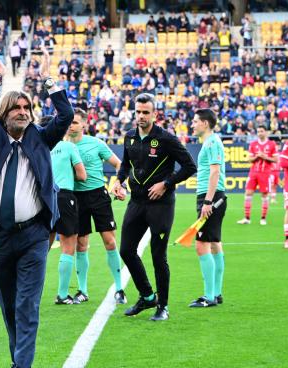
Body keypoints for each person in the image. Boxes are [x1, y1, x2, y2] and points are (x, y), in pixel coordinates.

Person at [0, 46, 73, 368]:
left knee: (27, 304)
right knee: (9, 305)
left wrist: (49, 78)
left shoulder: (40, 138)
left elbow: (66, 114)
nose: (24, 112)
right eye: (17, 107)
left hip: (33, 237)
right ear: (5, 112)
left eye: (28, 107)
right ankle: (16, 362)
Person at [112, 93, 197, 321]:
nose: (141, 116)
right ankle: (148, 296)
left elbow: (190, 166)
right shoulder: (129, 137)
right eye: (138, 111)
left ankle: (163, 306)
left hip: (161, 205)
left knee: (158, 256)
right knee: (126, 251)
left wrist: (166, 184)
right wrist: (118, 182)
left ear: (154, 114)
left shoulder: (166, 138)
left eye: (145, 112)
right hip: (136, 202)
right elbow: (125, 165)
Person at [68, 108, 124, 305]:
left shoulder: (96, 143)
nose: (71, 126)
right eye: (69, 122)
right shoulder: (63, 146)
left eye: (74, 122)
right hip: (76, 198)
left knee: (109, 241)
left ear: (84, 124)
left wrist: (120, 184)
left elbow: (119, 164)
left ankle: (119, 288)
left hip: (99, 196)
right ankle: (82, 290)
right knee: (81, 244)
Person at [39, 116, 87, 305]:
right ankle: (62, 294)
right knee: (68, 247)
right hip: (64, 197)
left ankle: (30, 288)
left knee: (43, 248)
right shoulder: (68, 147)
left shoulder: (39, 149)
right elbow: (82, 176)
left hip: (43, 199)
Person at [189, 109, 227, 308]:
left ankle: (209, 296)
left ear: (204, 123)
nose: (192, 124)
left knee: (201, 244)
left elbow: (214, 172)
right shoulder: (211, 142)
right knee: (214, 243)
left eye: (195, 121)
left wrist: (207, 202)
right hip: (213, 197)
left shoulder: (212, 142)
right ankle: (216, 293)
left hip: (210, 197)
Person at [237, 126, 278, 225]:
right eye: (258, 131)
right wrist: (257, 157)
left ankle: (263, 218)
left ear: (266, 132)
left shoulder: (272, 144)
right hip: (253, 172)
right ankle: (247, 218)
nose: (260, 133)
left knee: (264, 195)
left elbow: (276, 160)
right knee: (248, 193)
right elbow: (250, 159)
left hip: (265, 173)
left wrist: (265, 157)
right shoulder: (253, 144)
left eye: (262, 131)